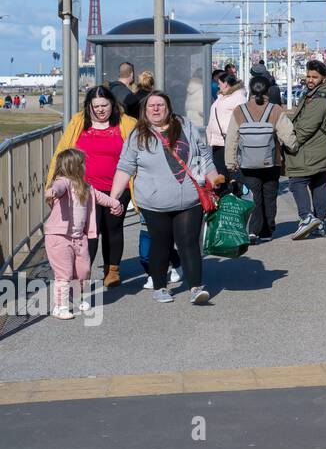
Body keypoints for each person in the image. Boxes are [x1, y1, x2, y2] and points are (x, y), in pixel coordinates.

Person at [110, 90, 222, 304]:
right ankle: (160, 287)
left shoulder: (186, 126)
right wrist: (114, 198)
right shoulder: (138, 134)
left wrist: (216, 182)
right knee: (161, 244)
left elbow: (204, 157)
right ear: (144, 110)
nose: (155, 108)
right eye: (151, 105)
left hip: (189, 198)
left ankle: (196, 288)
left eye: (160, 104)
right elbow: (125, 167)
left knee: (188, 242)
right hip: (154, 202)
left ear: (169, 107)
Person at [47, 86, 141, 288]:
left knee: (113, 227)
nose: (100, 110)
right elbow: (62, 152)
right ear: (89, 107)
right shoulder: (78, 123)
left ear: (113, 105)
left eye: (104, 105)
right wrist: (52, 183)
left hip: (118, 187)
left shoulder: (128, 124)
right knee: (89, 230)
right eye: (95, 106)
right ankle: (83, 273)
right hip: (85, 189)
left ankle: (112, 270)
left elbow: (139, 155)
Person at [44, 148, 124, 319]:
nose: (85, 167)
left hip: (79, 237)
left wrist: (115, 203)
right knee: (64, 273)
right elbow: (57, 187)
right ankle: (60, 306)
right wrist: (52, 191)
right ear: (73, 167)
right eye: (83, 164)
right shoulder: (63, 182)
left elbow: (101, 197)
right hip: (59, 237)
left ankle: (75, 297)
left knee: (83, 271)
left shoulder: (86, 187)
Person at [229, 74, 296, 243]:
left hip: (247, 163)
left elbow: (231, 138)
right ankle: (267, 230)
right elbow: (287, 135)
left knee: (253, 195)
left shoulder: (240, 110)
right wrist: (294, 147)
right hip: (271, 162)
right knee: (269, 195)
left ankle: (253, 230)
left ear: (250, 90)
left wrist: (230, 162)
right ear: (268, 90)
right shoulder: (276, 110)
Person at [284, 59, 326, 239]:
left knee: (297, 181)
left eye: (314, 77)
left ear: (323, 79)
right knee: (319, 184)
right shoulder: (318, 94)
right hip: (324, 150)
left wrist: (291, 143)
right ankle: (320, 223)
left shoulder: (319, 100)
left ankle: (307, 217)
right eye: (308, 76)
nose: (310, 80)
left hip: (313, 150)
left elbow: (306, 127)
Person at [206, 73, 247, 176]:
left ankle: (232, 190)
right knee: (221, 172)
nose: (218, 86)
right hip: (218, 141)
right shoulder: (221, 96)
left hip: (228, 141)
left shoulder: (238, 97)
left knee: (228, 172)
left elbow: (242, 119)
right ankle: (223, 191)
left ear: (226, 83)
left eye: (219, 83)